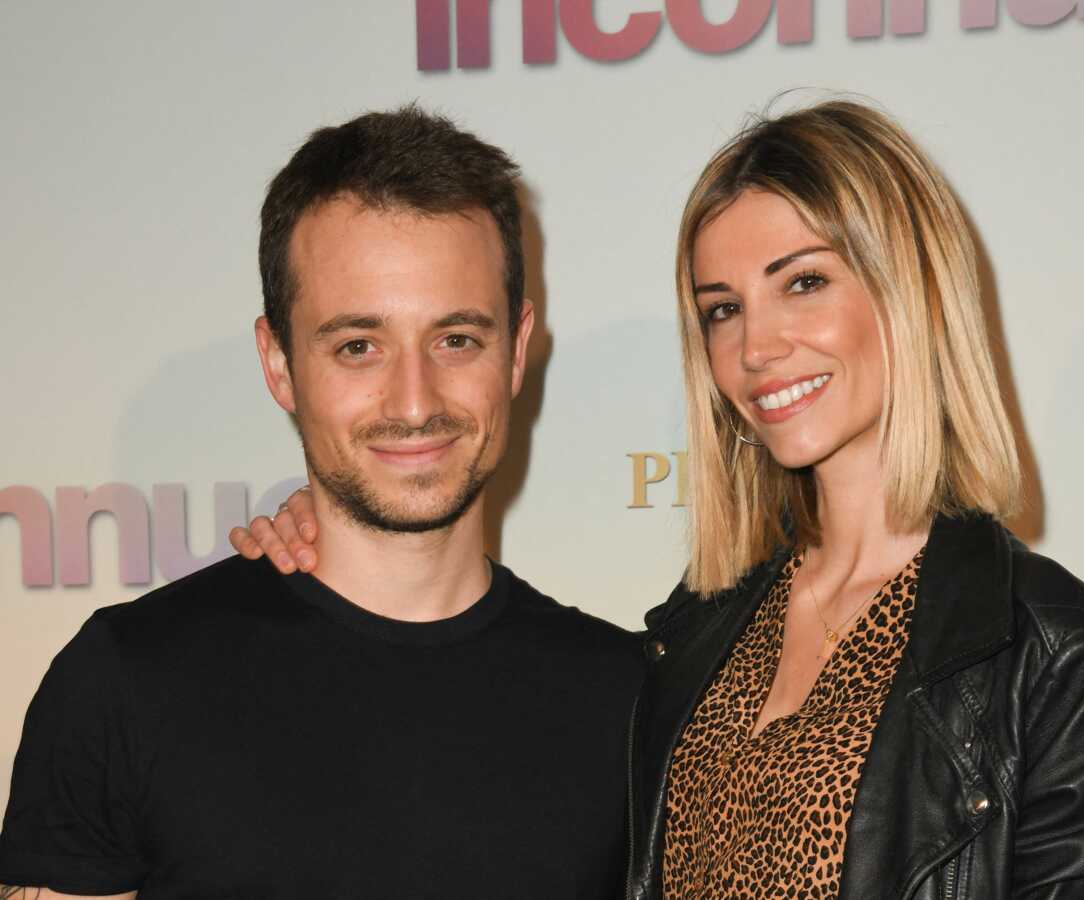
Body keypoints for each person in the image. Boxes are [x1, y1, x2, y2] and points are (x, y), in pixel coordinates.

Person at [242, 101, 1084, 900]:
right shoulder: (706, 627)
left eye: (803, 282)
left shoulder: (1044, 649)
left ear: (909, 289)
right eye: (722, 308)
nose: (756, 347)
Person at [0, 107, 643, 899]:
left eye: (456, 339)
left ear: (516, 347)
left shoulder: (629, 703)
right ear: (278, 363)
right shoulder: (124, 683)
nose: (414, 402)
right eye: (358, 346)